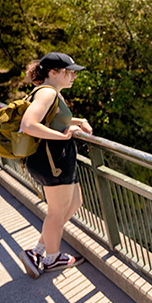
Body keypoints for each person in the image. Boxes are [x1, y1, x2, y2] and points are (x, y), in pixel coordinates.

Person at [18, 52, 92, 279]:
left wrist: (78, 121)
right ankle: (51, 258)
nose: (73, 76)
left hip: (54, 161)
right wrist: (64, 137)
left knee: (74, 203)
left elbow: (53, 119)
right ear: (52, 73)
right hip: (52, 161)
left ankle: (38, 251)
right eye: (68, 72)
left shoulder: (49, 92)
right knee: (56, 212)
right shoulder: (48, 93)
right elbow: (28, 124)